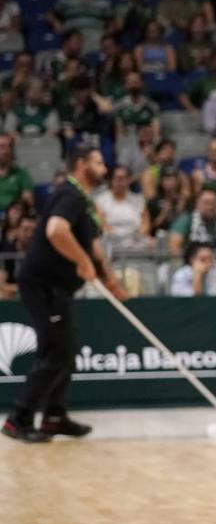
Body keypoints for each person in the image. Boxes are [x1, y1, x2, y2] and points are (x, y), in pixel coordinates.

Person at [2, 147, 126, 443]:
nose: (104, 168)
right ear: (81, 165)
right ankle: (18, 420)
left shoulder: (83, 201)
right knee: (54, 352)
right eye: (98, 163)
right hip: (43, 285)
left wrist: (109, 279)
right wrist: (82, 262)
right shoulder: (68, 194)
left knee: (66, 351)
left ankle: (54, 418)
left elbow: (93, 244)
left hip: (58, 287)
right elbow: (56, 231)